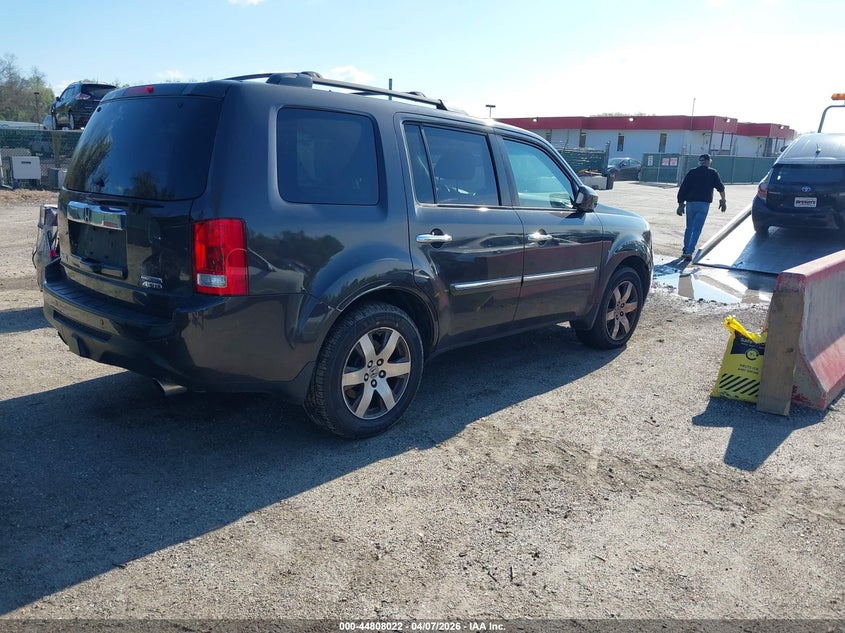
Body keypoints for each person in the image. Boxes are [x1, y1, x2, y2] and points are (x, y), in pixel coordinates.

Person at [676, 154, 726, 260]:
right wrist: (723, 200)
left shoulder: (692, 172)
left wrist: (680, 204)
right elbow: (720, 188)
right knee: (697, 229)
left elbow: (683, 189)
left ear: (700, 162)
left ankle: (685, 249)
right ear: (709, 162)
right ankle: (689, 252)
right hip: (704, 204)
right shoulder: (713, 173)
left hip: (690, 203)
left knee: (689, 227)